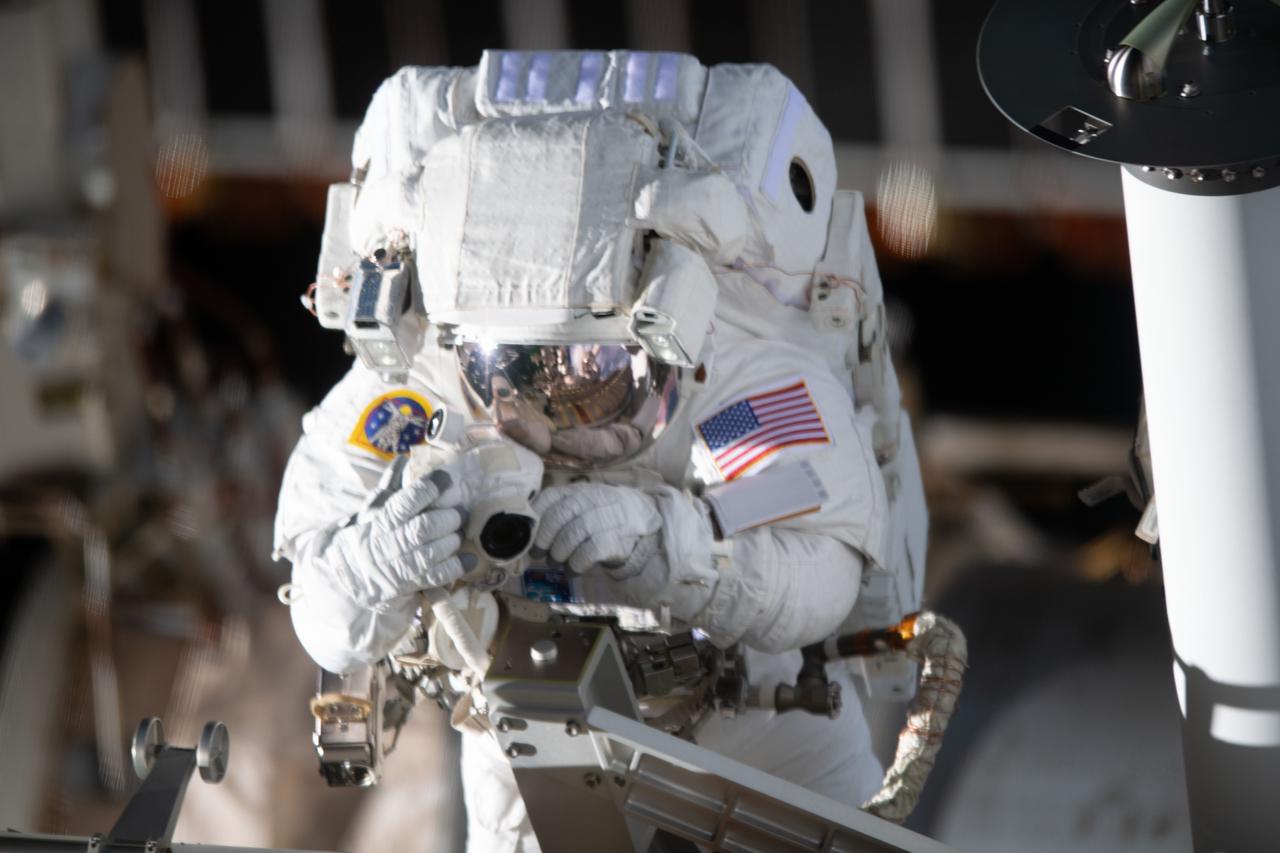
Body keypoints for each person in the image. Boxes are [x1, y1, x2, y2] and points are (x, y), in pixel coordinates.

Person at [276, 51, 914, 852]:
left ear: (657, 326)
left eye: (587, 377)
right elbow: (319, 597)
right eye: (514, 377)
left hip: (760, 734)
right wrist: (376, 562)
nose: (552, 422)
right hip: (527, 746)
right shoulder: (421, 390)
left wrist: (670, 540)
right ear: (462, 342)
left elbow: (820, 560)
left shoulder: (732, 388)